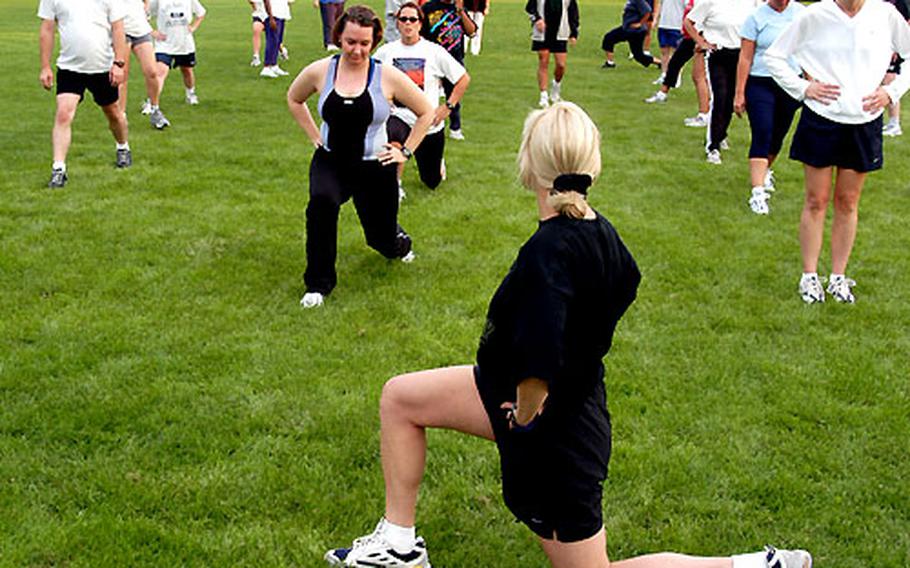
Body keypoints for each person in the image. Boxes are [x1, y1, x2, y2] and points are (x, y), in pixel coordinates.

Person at [321, 102, 812, 568]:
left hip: (553, 434)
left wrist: (526, 421)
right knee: (402, 399)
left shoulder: (548, 253)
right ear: (590, 165)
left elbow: (540, 362)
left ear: (530, 167)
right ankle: (398, 543)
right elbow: (626, 282)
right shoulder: (602, 232)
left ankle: (754, 564)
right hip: (515, 393)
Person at [287, 5, 434, 309]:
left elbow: (426, 112)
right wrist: (314, 135)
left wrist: (404, 151)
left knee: (380, 239)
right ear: (339, 36)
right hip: (331, 162)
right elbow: (294, 98)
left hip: (374, 166)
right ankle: (318, 284)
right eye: (350, 41)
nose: (357, 50)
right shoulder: (320, 71)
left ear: (374, 41)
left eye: (364, 43)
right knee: (321, 206)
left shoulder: (387, 76)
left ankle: (399, 243)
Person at [765, 0, 910, 303]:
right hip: (822, 118)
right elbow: (775, 56)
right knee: (816, 200)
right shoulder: (815, 15)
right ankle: (809, 277)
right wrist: (804, 88)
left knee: (848, 202)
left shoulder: (884, 14)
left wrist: (890, 92)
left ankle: (838, 277)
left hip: (864, 121)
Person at [374, 2, 470, 195]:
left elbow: (463, 79)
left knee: (431, 181)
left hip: (428, 123)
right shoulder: (386, 52)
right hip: (398, 116)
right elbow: (370, 78)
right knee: (393, 141)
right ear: (398, 23)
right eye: (403, 19)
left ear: (420, 24)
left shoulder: (433, 51)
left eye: (413, 19)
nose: (408, 24)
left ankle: (437, 165)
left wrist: (447, 107)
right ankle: (395, 186)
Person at [38, 0, 132, 189]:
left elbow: (118, 28)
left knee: (113, 112)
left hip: (102, 67)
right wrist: (45, 66)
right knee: (64, 113)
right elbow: (47, 29)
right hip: (70, 68)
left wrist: (119, 63)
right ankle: (59, 169)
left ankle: (123, 147)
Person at [732, 0, 804, 215]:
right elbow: (745, 57)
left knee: (777, 135)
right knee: (762, 131)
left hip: (790, 83)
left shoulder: (801, 14)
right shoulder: (755, 17)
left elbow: (807, 51)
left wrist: (810, 83)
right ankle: (757, 193)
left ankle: (766, 171)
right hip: (760, 82)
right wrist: (739, 92)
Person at [684, 0, 759, 164]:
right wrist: (701, 42)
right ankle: (713, 146)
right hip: (718, 54)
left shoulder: (752, 3)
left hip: (741, 55)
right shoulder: (710, 2)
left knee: (732, 97)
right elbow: (689, 22)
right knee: (720, 96)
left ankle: (721, 132)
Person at [643, 0, 711, 128]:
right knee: (675, 64)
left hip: (701, 38)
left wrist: (700, 40)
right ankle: (662, 93)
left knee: (699, 76)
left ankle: (705, 114)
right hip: (691, 37)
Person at [420, 0, 476, 140]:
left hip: (454, 59)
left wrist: (461, 11)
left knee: (454, 93)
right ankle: (427, 122)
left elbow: (472, 31)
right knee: (429, 93)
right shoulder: (428, 8)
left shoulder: (458, 8)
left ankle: (455, 127)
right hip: (433, 58)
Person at [122, 0, 170, 129]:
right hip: (121, 29)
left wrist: (146, 8)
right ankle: (121, 116)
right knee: (123, 75)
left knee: (152, 71)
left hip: (141, 29)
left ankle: (155, 110)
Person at [149, 0, 206, 104]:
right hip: (164, 44)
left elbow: (201, 13)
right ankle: (152, 102)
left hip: (184, 43)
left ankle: (190, 94)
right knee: (160, 72)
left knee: (187, 70)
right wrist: (153, 32)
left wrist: (193, 27)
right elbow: (143, 16)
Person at [526, 0, 578, 108]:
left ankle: (556, 87)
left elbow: (573, 12)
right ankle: (543, 96)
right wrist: (537, 20)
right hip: (542, 33)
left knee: (561, 65)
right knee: (543, 62)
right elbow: (530, 8)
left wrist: (574, 33)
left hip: (560, 32)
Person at [600, 0, 662, 71]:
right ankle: (660, 63)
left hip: (634, 31)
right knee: (638, 55)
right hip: (629, 29)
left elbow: (648, 11)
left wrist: (640, 24)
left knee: (609, 38)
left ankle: (610, 63)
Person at [881, 0, 910, 136]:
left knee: (889, 81)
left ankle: (894, 124)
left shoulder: (901, 3)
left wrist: (896, 48)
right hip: (883, 48)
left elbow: (907, 23)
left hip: (894, 50)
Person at [654, 0, 685, 84]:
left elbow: (688, 8)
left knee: (677, 54)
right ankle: (664, 74)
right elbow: (660, 4)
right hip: (663, 24)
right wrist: (656, 19)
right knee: (664, 51)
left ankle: (676, 76)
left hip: (677, 26)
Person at [261, 0, 291, 77]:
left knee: (278, 42)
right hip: (273, 15)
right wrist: (270, 17)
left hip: (281, 14)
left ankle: (274, 65)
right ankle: (267, 66)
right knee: (272, 41)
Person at [249, 0, 267, 65]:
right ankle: (256, 56)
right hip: (259, 15)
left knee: (273, 37)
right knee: (256, 30)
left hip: (271, 16)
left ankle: (282, 50)